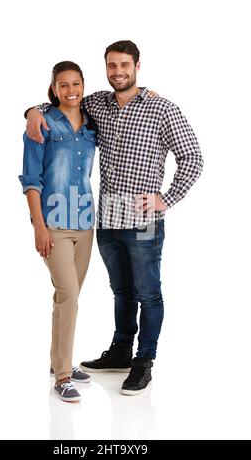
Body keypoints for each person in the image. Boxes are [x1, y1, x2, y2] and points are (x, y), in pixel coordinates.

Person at [25, 40, 204, 396]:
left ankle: (143, 362)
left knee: (148, 294)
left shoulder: (162, 108)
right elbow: (63, 103)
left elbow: (193, 158)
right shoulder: (98, 105)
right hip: (105, 220)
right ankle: (120, 351)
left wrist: (166, 199)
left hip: (142, 221)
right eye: (111, 66)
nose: (118, 72)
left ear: (137, 65)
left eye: (124, 65)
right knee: (120, 291)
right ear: (105, 69)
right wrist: (32, 109)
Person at [19, 61, 96, 402]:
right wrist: (39, 226)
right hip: (55, 224)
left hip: (85, 222)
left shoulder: (92, 122)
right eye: (62, 85)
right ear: (53, 89)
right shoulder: (42, 124)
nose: (70, 90)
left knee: (68, 298)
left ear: (83, 85)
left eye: (75, 83)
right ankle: (63, 374)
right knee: (69, 298)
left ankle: (58, 361)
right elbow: (31, 180)